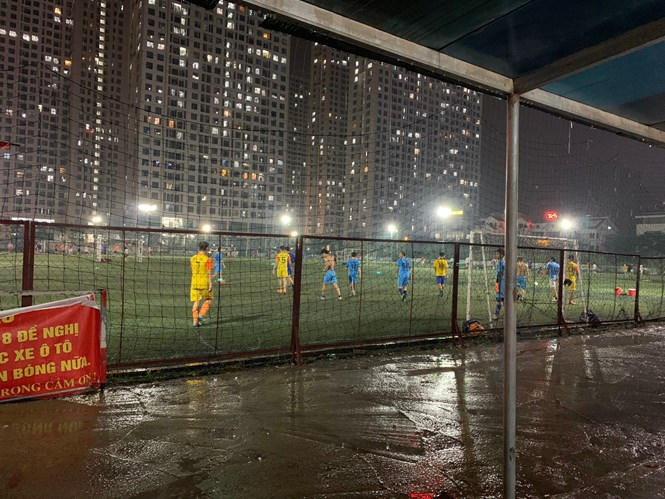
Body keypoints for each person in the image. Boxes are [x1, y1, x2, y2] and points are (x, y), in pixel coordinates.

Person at [190, 241, 213, 327]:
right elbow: (209, 273)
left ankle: (195, 321)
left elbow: (193, 270)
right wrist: (210, 283)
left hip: (194, 283)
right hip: (204, 283)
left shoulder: (192, 258)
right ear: (206, 249)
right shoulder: (208, 259)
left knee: (196, 302)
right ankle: (201, 315)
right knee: (209, 299)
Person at [494, 248, 505, 320]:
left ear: (502, 255)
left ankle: (496, 314)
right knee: (501, 299)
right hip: (500, 282)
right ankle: (498, 314)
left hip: (501, 283)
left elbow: (500, 274)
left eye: (497, 254)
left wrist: (497, 282)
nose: (496, 255)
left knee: (500, 299)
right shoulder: (501, 262)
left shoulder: (502, 262)